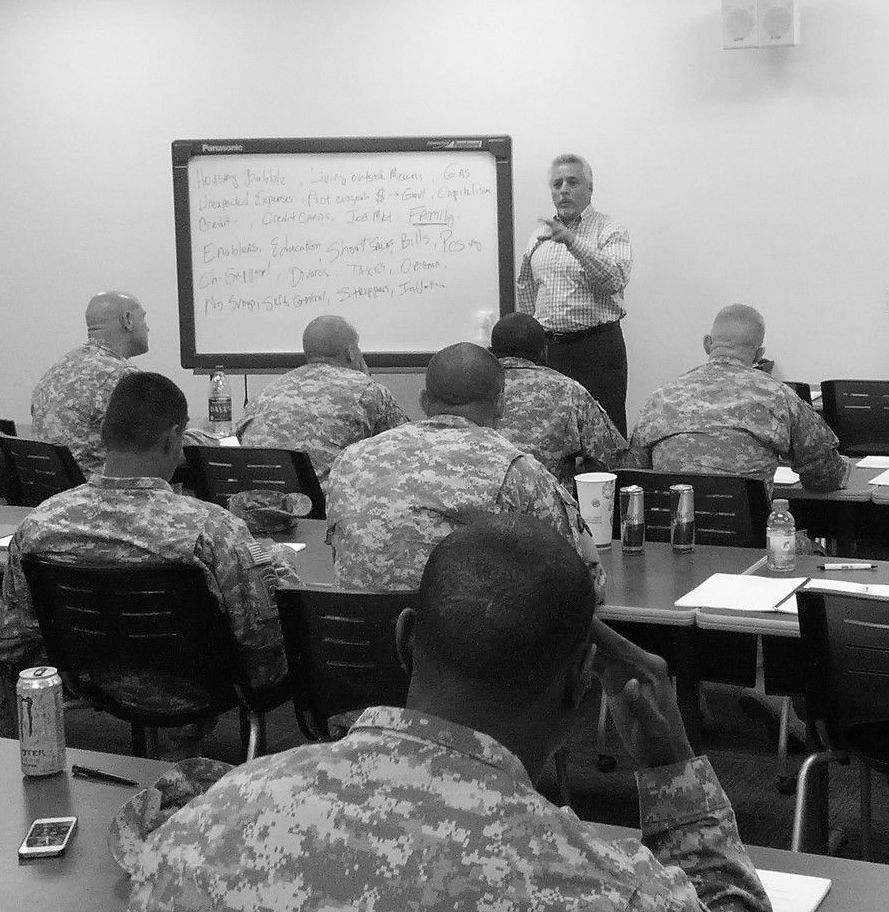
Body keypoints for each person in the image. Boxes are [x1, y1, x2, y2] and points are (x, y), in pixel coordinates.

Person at [109, 515, 770, 912]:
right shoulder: (601, 886)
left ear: (402, 640)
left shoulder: (205, 828)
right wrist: (671, 770)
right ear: (581, 682)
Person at [3, 372, 301, 700]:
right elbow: (261, 645)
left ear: (105, 433)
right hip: (201, 688)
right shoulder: (213, 530)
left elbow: (17, 633)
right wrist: (279, 567)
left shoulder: (41, 524)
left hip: (90, 683)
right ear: (173, 438)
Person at [326, 342, 604, 597]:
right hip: (459, 646)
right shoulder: (517, 471)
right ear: (501, 403)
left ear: (423, 401)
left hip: (355, 644)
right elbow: (584, 581)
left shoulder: (350, 459)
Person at [626, 304, 850, 492]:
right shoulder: (777, 395)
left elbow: (633, 474)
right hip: (750, 542)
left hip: (672, 538)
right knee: (809, 545)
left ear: (707, 344)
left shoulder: (660, 397)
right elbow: (824, 476)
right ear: (759, 354)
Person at [516, 154, 633, 437]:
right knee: (555, 434)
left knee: (606, 436)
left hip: (596, 349)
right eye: (557, 184)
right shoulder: (538, 236)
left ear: (589, 188)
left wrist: (572, 241)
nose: (564, 189)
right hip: (550, 351)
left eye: (572, 182)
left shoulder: (610, 230)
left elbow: (614, 279)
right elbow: (527, 288)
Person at [236, 315, 409, 492]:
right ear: (350, 352)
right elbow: (405, 449)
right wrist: (364, 380)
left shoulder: (265, 394)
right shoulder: (367, 391)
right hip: (323, 512)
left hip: (260, 509)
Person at [490, 312, 627, 482]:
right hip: (546, 503)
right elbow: (613, 459)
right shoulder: (569, 390)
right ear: (544, 351)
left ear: (492, 351)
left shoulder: (471, 386)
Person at [31, 291, 150, 476]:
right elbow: (157, 449)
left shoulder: (60, 368)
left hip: (55, 499)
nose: (148, 328)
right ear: (127, 320)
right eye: (143, 318)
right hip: (102, 499)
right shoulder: (123, 377)